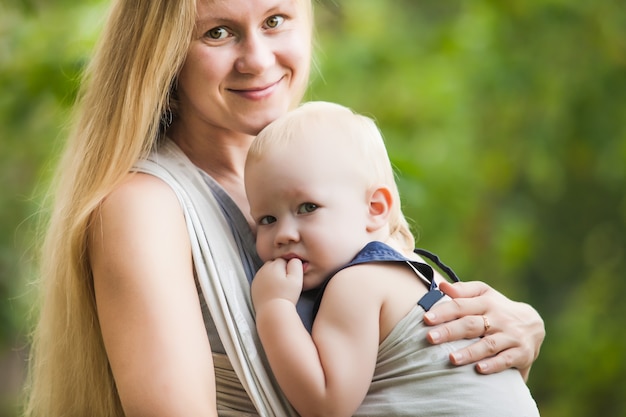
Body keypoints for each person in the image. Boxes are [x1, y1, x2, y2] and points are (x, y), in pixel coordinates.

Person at [23, 0, 545, 416]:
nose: (257, 59)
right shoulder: (146, 209)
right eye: (218, 32)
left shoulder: (310, 167)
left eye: (275, 20)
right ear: (163, 53)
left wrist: (509, 331)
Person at [246, 101, 540, 417]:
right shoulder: (415, 271)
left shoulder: (357, 284)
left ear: (375, 208)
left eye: (307, 208)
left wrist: (273, 308)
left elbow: (325, 405)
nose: (283, 234)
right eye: (266, 219)